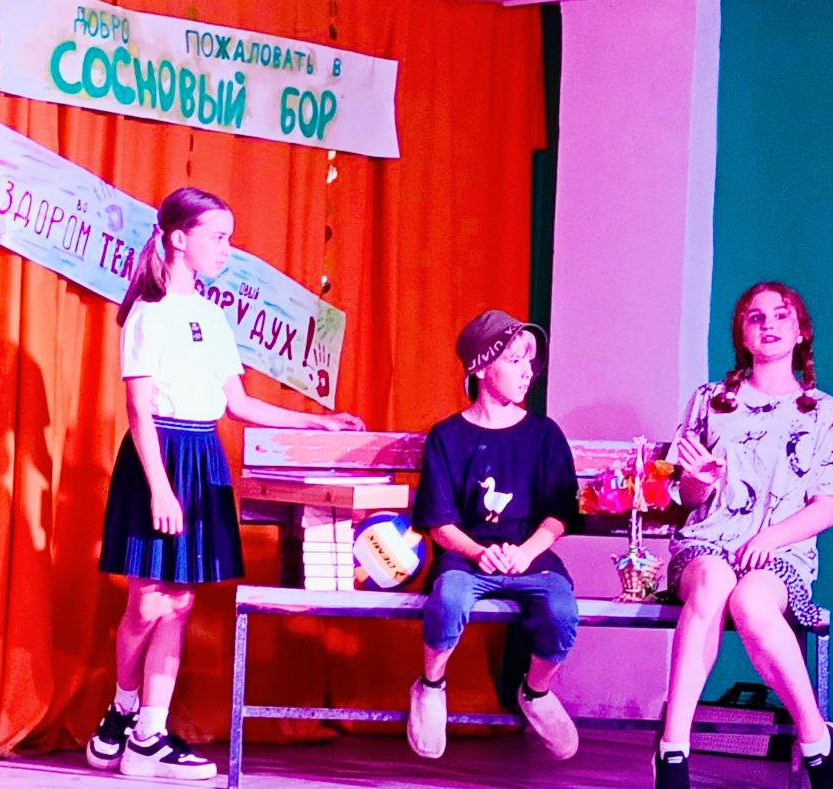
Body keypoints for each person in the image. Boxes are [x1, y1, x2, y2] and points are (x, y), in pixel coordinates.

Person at [86, 187, 364, 780]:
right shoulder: (148, 313)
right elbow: (139, 410)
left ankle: (148, 735)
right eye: (217, 237)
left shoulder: (212, 316)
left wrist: (316, 421)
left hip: (203, 453)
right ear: (178, 238)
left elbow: (238, 404)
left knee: (181, 600)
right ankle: (123, 708)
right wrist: (160, 487)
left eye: (228, 238)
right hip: (160, 454)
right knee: (148, 599)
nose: (226, 249)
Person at [654, 282, 833, 789]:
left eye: (781, 315)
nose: (769, 324)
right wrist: (700, 482)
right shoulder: (711, 401)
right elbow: (684, 496)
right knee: (714, 584)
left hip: (779, 553)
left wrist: (771, 538)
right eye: (756, 317)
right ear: (743, 336)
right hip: (706, 545)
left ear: (800, 332)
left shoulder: (823, 412)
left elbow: (827, 508)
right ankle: (673, 750)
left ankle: (817, 742)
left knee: (751, 602)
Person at [407, 309, 581, 761]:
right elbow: (439, 522)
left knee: (561, 611)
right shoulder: (447, 437)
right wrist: (478, 553)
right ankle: (431, 686)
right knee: (449, 599)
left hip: (531, 558)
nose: (527, 372)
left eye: (530, 361)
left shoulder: (544, 434)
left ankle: (536, 692)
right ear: (482, 368)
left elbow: (559, 514)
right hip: (468, 558)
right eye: (515, 360)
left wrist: (525, 553)